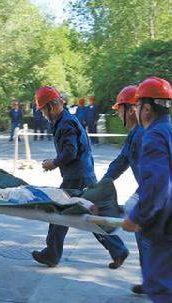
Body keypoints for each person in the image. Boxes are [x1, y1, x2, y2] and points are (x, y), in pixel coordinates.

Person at [103, 85, 172, 303]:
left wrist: (136, 217)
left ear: (145, 109)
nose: (121, 114)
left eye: (135, 106)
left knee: (161, 286)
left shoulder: (153, 136)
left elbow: (157, 187)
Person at [31, 86, 129, 269]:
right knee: (87, 216)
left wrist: (54, 162)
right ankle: (117, 249)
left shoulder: (65, 123)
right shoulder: (64, 120)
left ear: (51, 107)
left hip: (76, 178)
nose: (43, 114)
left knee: (58, 213)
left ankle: (52, 254)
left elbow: (70, 152)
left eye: (43, 110)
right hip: (82, 175)